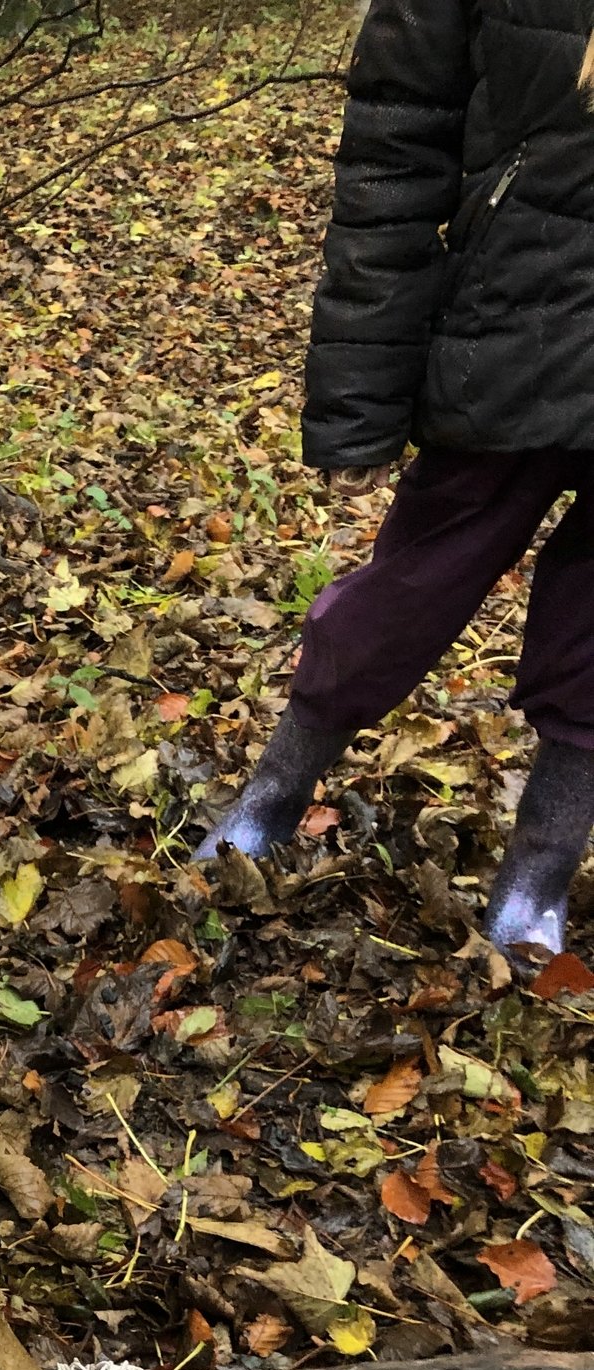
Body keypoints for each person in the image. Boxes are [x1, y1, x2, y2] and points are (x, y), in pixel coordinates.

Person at [195, 0, 594, 955]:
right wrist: (357, 399)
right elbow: (393, 148)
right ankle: (277, 788)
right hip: (514, 327)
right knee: (407, 587)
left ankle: (540, 868)